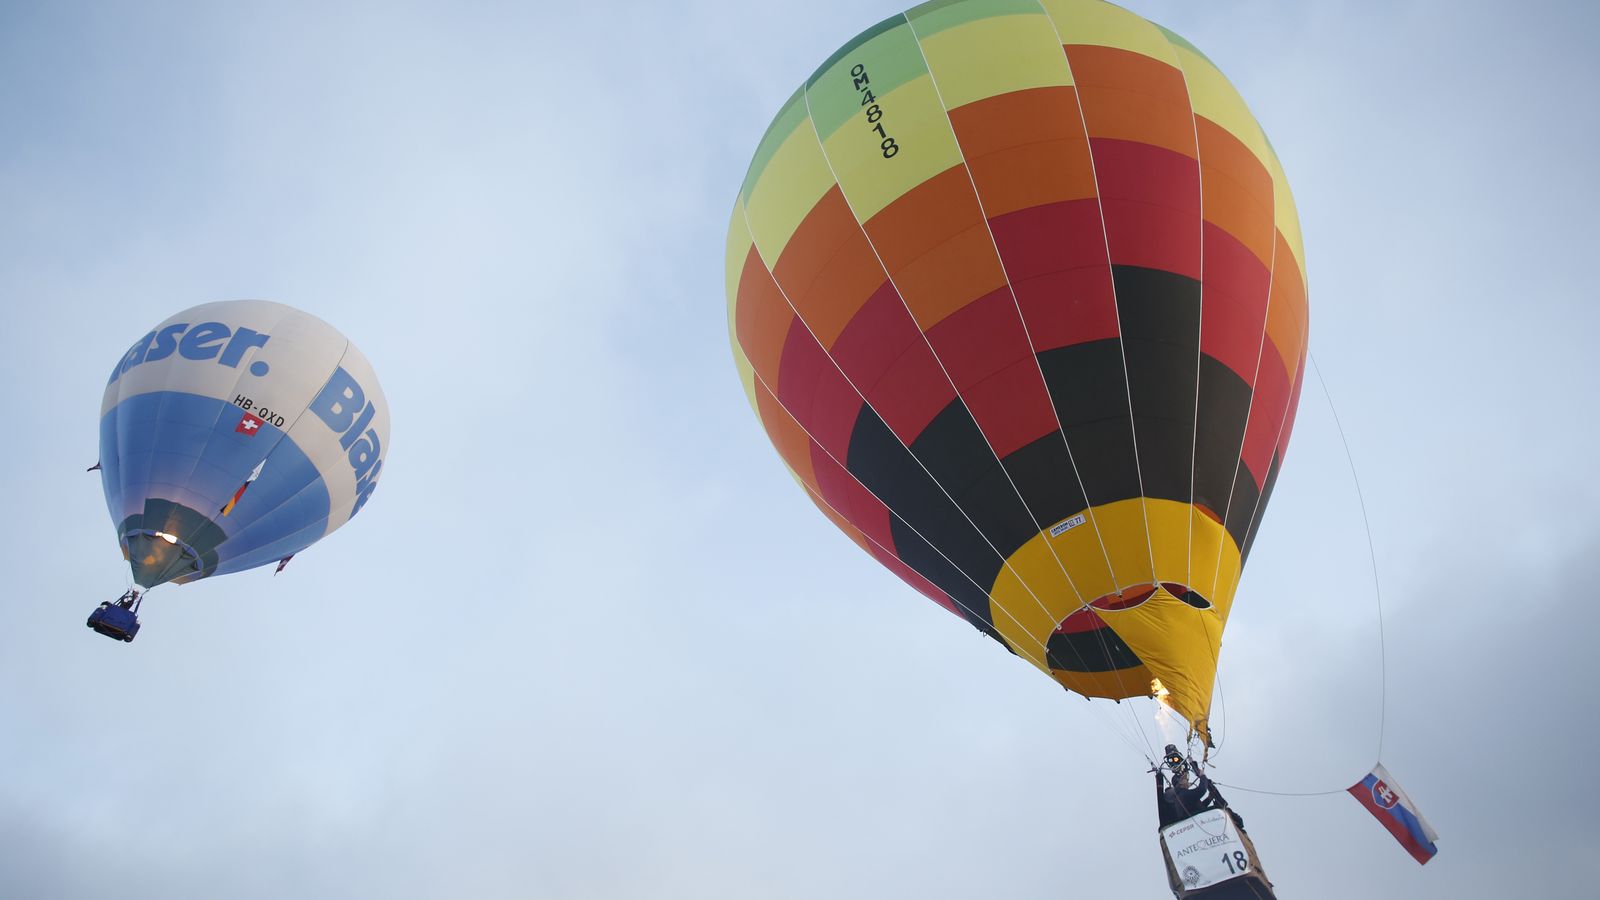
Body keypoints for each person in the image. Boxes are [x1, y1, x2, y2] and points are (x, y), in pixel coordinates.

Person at [1155, 744, 1239, 830]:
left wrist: (1209, 798)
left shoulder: (1180, 798)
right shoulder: (1183, 794)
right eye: (1185, 779)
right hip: (1198, 824)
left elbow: (1196, 806)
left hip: (1193, 822)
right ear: (1180, 783)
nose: (1188, 782)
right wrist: (1202, 776)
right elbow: (1202, 789)